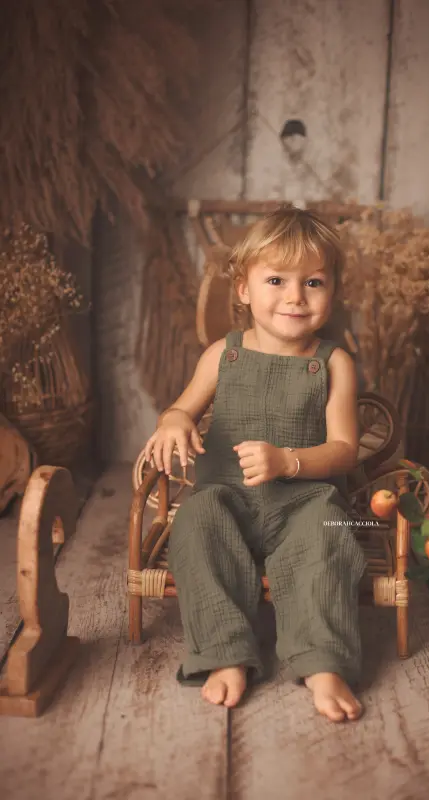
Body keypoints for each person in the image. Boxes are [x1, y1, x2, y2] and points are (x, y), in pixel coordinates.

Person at [144, 208, 366, 723]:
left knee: (331, 541)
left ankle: (321, 660)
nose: (295, 297)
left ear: (332, 290)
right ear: (243, 288)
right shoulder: (223, 354)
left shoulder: (333, 362)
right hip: (226, 498)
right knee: (196, 527)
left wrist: (288, 460)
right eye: (276, 280)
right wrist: (174, 421)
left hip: (307, 502)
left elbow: (345, 449)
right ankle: (225, 652)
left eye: (313, 282)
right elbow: (182, 407)